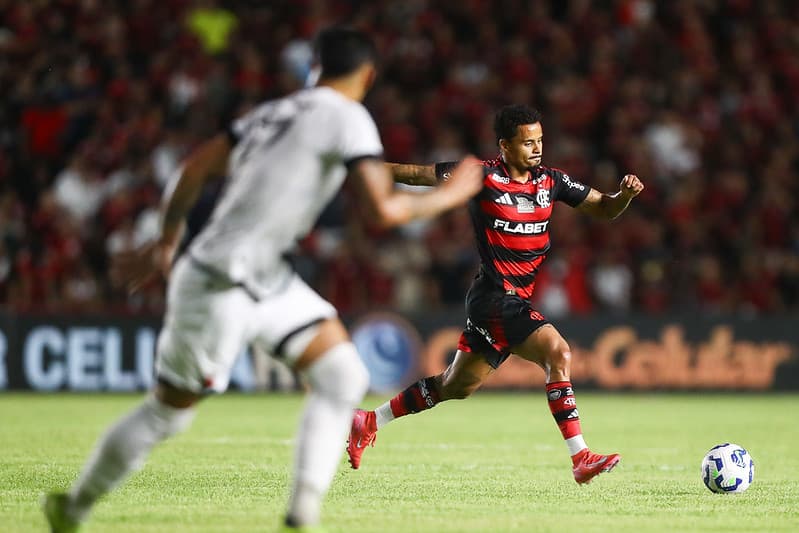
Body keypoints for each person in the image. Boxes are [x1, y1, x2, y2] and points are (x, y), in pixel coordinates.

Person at [42, 27, 483, 532]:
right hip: (221, 279)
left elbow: (194, 169)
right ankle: (73, 507)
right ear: (367, 75)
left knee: (342, 375)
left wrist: (166, 241)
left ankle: (301, 516)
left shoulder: (271, 113)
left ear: (316, 68)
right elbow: (381, 210)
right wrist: (451, 194)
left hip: (262, 274)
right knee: (168, 413)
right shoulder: (349, 117)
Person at [347, 104, 644, 484]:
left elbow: (604, 208)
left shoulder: (551, 181)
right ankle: (580, 456)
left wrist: (624, 195)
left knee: (454, 386)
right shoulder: (481, 175)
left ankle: (369, 420)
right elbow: (418, 174)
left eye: (540, 140)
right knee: (558, 352)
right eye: (527, 142)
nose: (537, 148)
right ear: (505, 145)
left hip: (507, 300)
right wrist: (363, 170)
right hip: (496, 298)